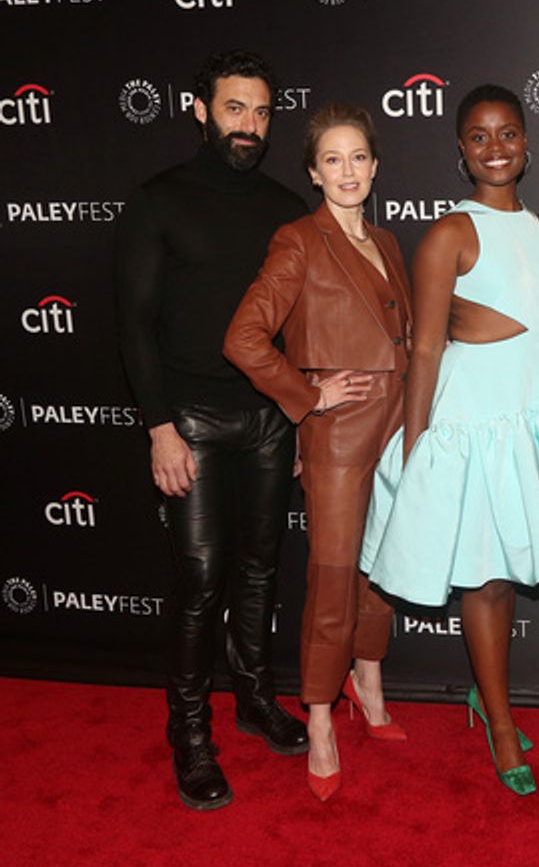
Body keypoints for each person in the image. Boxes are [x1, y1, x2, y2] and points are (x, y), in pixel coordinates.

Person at [359, 85, 539, 796]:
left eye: (508, 133)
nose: (496, 147)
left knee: (506, 574)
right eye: (479, 137)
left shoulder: (538, 227)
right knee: (487, 578)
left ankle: (485, 700)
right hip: (469, 422)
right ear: (460, 151)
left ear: (527, 142)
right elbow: (423, 349)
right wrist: (416, 443)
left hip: (526, 413)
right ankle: (497, 721)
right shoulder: (448, 233)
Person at [114, 50, 309, 811]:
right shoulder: (156, 202)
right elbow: (132, 327)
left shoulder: (287, 205)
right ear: (201, 110)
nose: (249, 126)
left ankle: (255, 701)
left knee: (261, 568)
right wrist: (161, 429)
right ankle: (189, 735)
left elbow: (295, 325)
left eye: (261, 112)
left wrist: (293, 412)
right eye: (235, 109)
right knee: (200, 580)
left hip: (265, 419)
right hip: (189, 417)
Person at [224, 102, 412, 802]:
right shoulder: (299, 239)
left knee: (382, 567)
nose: (348, 171)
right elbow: (244, 337)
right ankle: (323, 717)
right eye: (332, 160)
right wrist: (308, 396)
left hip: (396, 425)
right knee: (333, 578)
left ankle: (368, 680)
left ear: (375, 165)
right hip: (337, 435)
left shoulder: (388, 243)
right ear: (312, 172)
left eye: (358, 157)